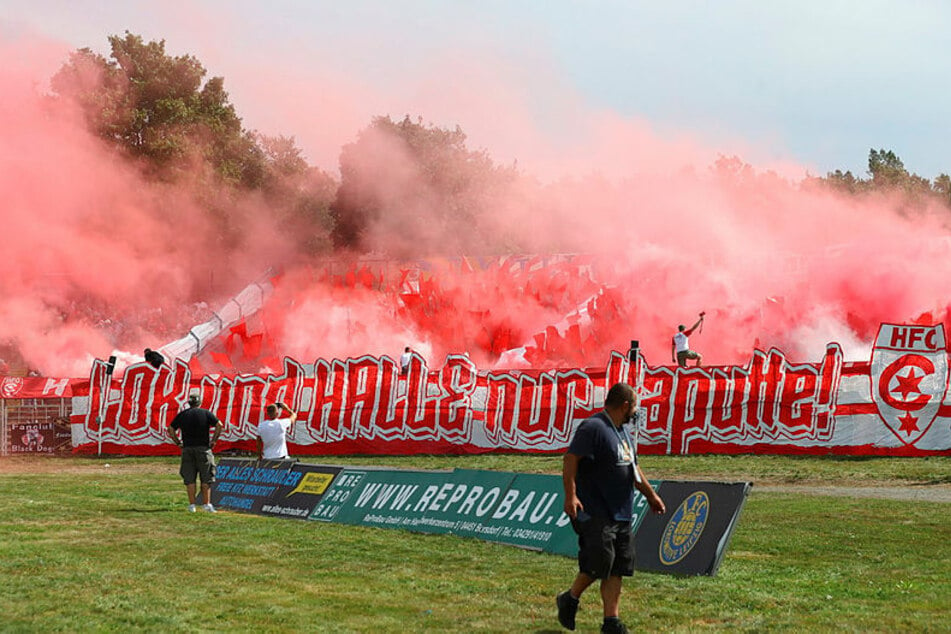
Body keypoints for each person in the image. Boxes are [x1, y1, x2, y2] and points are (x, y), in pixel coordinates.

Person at [556, 382, 666, 634]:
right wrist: (570, 495)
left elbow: (633, 469)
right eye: (634, 407)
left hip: (622, 511)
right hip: (595, 510)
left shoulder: (623, 432)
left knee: (618, 566)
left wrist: (650, 496)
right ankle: (569, 598)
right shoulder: (593, 427)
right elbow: (571, 458)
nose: (635, 412)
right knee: (600, 561)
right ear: (625, 405)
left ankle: (611, 622)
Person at [167, 393, 223, 513]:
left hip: (187, 449)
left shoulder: (183, 415)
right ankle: (206, 504)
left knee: (190, 478)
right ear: (199, 403)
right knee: (206, 477)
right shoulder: (206, 413)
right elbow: (219, 425)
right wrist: (214, 441)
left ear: (189, 403)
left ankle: (192, 505)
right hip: (203, 448)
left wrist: (178, 442)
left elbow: (171, 429)